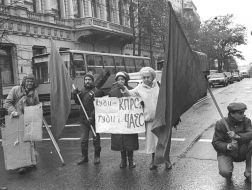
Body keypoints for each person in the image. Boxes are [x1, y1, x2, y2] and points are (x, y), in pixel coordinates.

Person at [120, 67, 166, 170]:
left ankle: (166, 160)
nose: (145, 79)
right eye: (144, 77)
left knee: (162, 141)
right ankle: (154, 161)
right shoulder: (139, 87)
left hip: (161, 119)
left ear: (152, 76)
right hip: (149, 120)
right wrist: (124, 88)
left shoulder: (159, 85)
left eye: (148, 77)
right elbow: (130, 94)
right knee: (152, 143)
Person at [3, 74, 40, 174]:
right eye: (28, 81)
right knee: (19, 142)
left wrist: (38, 110)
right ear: (24, 82)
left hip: (29, 120)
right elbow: (7, 103)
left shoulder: (34, 92)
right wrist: (13, 111)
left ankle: (31, 161)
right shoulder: (15, 89)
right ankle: (22, 164)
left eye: (31, 81)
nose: (29, 83)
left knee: (31, 141)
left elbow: (36, 104)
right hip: (17, 119)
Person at [212, 102, 252, 183]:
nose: (243, 115)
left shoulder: (246, 121)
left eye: (244, 112)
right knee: (225, 172)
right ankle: (228, 173)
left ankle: (248, 172)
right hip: (227, 153)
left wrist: (236, 136)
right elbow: (216, 142)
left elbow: (250, 134)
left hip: (243, 150)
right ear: (232, 114)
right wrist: (228, 146)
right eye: (240, 113)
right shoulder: (221, 123)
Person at [108, 71, 139, 169]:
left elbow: (137, 103)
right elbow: (109, 106)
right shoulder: (112, 92)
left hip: (129, 120)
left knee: (130, 141)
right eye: (118, 79)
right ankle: (123, 160)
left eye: (122, 79)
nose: (120, 81)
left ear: (126, 80)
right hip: (119, 121)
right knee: (120, 141)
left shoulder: (132, 90)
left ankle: (131, 160)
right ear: (116, 81)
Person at [73, 72, 104, 165]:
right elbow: (79, 103)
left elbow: (98, 106)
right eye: (86, 80)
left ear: (92, 81)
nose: (87, 81)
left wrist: (92, 117)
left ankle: (97, 156)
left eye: (89, 80)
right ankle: (84, 157)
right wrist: (75, 95)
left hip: (94, 119)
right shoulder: (81, 91)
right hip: (83, 120)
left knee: (96, 139)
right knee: (83, 140)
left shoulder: (97, 91)